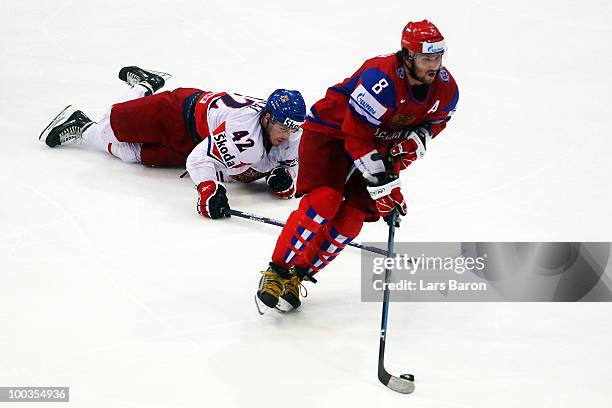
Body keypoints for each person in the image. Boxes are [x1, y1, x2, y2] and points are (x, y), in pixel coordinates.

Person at [254, 20, 460, 313]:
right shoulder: (382, 78)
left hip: (376, 145)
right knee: (326, 200)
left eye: (438, 57)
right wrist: (382, 183)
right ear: (408, 55)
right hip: (332, 132)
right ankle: (276, 272)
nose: (434, 65)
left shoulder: (447, 90)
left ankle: (297, 274)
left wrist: (399, 164)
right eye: (427, 58)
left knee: (351, 219)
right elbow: (355, 133)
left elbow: (432, 126)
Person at [39, 67, 307, 218]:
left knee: (130, 155)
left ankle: (81, 126)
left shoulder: (290, 135)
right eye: (282, 127)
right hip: (179, 111)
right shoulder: (244, 131)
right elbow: (200, 161)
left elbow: (286, 168)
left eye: (292, 129)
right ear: (267, 117)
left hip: (197, 138)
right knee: (111, 125)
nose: (287, 135)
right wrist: (208, 188)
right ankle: (145, 86)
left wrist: (282, 181)